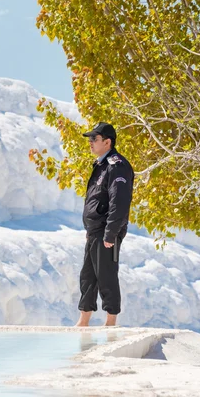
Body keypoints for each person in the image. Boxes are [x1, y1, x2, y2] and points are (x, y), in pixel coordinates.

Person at [75, 122, 134, 327]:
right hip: (95, 231)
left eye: (94, 139)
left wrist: (111, 233)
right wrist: (90, 229)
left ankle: (110, 323)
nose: (90, 143)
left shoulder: (117, 166)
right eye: (90, 139)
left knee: (106, 275)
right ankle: (83, 322)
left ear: (107, 142)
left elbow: (119, 202)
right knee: (87, 277)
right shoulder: (101, 165)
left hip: (106, 231)